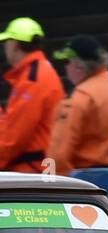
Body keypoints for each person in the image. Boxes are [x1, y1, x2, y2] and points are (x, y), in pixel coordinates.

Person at [47, 36, 108, 175]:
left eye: (67, 61)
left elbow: (58, 155)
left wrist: (49, 185)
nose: (65, 67)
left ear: (79, 66)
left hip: (93, 181)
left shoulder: (81, 96)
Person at [0, 17, 65, 173]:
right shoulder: (39, 71)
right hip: (38, 169)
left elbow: (14, 137)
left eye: (6, 42)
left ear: (14, 44)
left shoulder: (32, 79)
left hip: (31, 173)